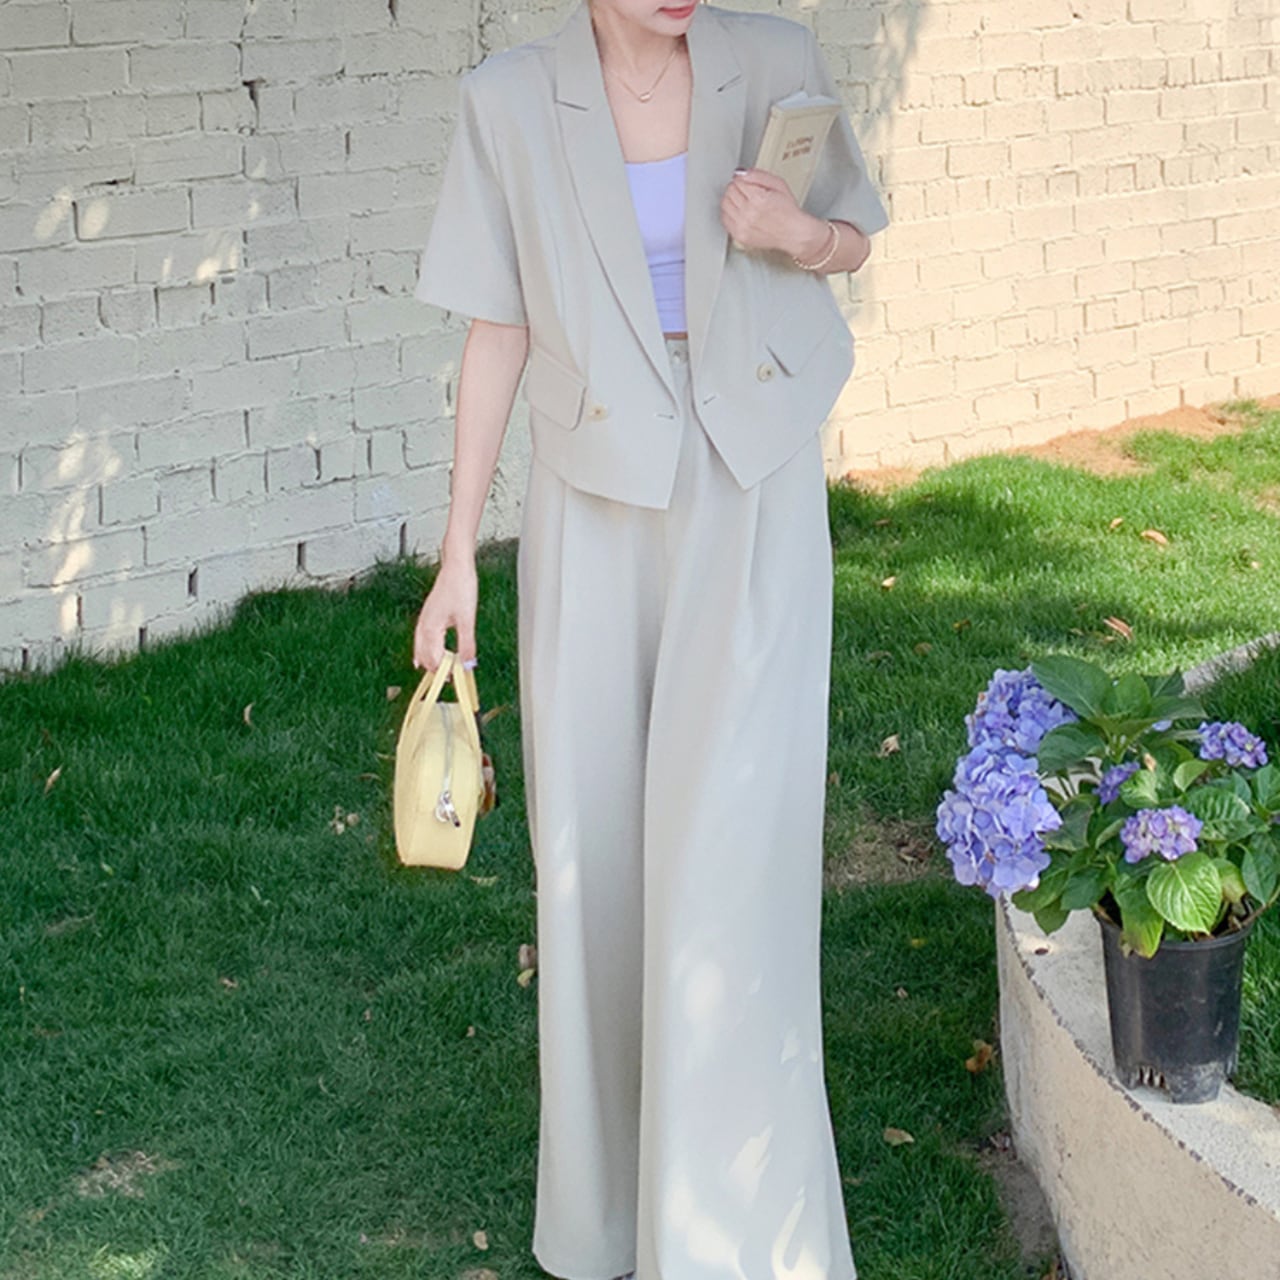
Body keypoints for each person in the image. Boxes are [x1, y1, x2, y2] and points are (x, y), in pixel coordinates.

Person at [410, 2, 889, 1277]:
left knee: (731, 844)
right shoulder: (508, 101)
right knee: (595, 851)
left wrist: (795, 235)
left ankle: (735, 1231)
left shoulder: (772, 59)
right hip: (590, 500)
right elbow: (496, 329)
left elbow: (848, 235)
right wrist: (456, 554)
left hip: (752, 480)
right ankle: (609, 1215)